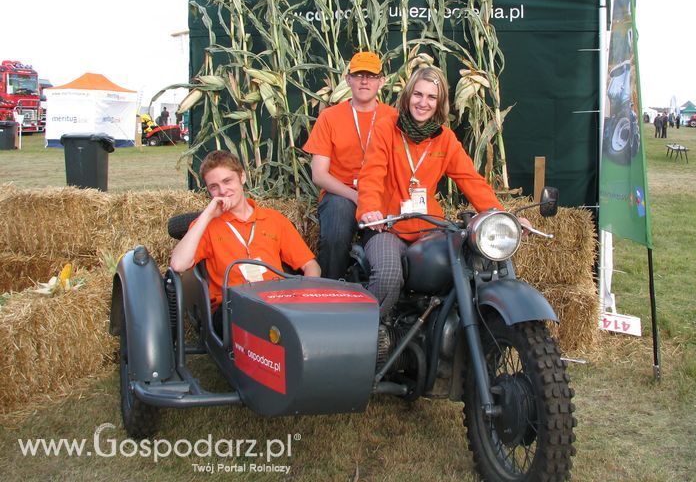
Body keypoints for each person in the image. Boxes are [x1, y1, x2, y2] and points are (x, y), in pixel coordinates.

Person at [356, 65, 532, 316]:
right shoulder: (387, 128)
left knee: (467, 264)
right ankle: (374, 338)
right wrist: (371, 210)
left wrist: (501, 218)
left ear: (440, 103)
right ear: (407, 96)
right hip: (388, 226)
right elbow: (371, 174)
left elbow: (471, 180)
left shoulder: (445, 139)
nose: (423, 103)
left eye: (431, 97)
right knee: (388, 275)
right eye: (418, 94)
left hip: (428, 228)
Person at [170, 150, 320, 332]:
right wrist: (207, 214)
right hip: (231, 307)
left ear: (242, 177)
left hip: (276, 302)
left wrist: (306, 298)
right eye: (214, 187)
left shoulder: (273, 220)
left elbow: (311, 266)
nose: (223, 191)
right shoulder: (206, 225)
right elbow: (178, 264)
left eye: (227, 181)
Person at [302, 51, 397, 279]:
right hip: (341, 194)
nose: (365, 81)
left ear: (382, 81)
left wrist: (371, 199)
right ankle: (329, 294)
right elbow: (319, 174)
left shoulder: (394, 117)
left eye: (371, 76)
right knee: (336, 231)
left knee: (387, 241)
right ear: (348, 80)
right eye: (358, 75)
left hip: (378, 194)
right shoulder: (330, 117)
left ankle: (383, 302)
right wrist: (357, 197)